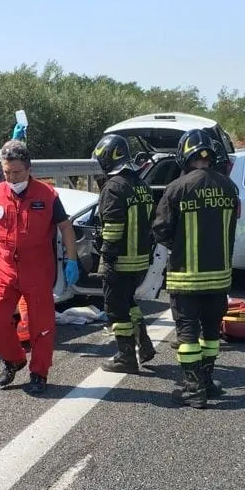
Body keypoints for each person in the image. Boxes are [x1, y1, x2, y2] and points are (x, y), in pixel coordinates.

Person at [0, 139, 80, 392]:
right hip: (7, 268)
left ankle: (39, 373)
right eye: (7, 172)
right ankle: (14, 360)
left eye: (17, 172)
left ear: (29, 169)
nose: (12, 177)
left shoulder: (47, 195)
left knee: (41, 326)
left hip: (38, 270)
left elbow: (65, 227)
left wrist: (72, 259)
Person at [152, 129, 239, 408]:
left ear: (184, 154)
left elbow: (161, 229)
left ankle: (193, 388)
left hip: (186, 277)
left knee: (187, 333)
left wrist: (178, 244)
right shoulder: (229, 187)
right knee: (211, 331)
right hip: (220, 275)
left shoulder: (177, 188)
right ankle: (209, 382)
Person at [92, 133, 156, 373]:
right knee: (130, 302)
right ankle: (144, 343)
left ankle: (125, 356)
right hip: (140, 260)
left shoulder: (114, 187)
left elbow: (113, 226)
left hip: (119, 260)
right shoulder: (142, 185)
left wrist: (106, 255)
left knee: (115, 309)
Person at [0, 119, 31, 340]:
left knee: (5, 286)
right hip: (6, 242)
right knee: (17, 288)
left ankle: (10, 328)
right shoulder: (3, 177)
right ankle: (24, 330)